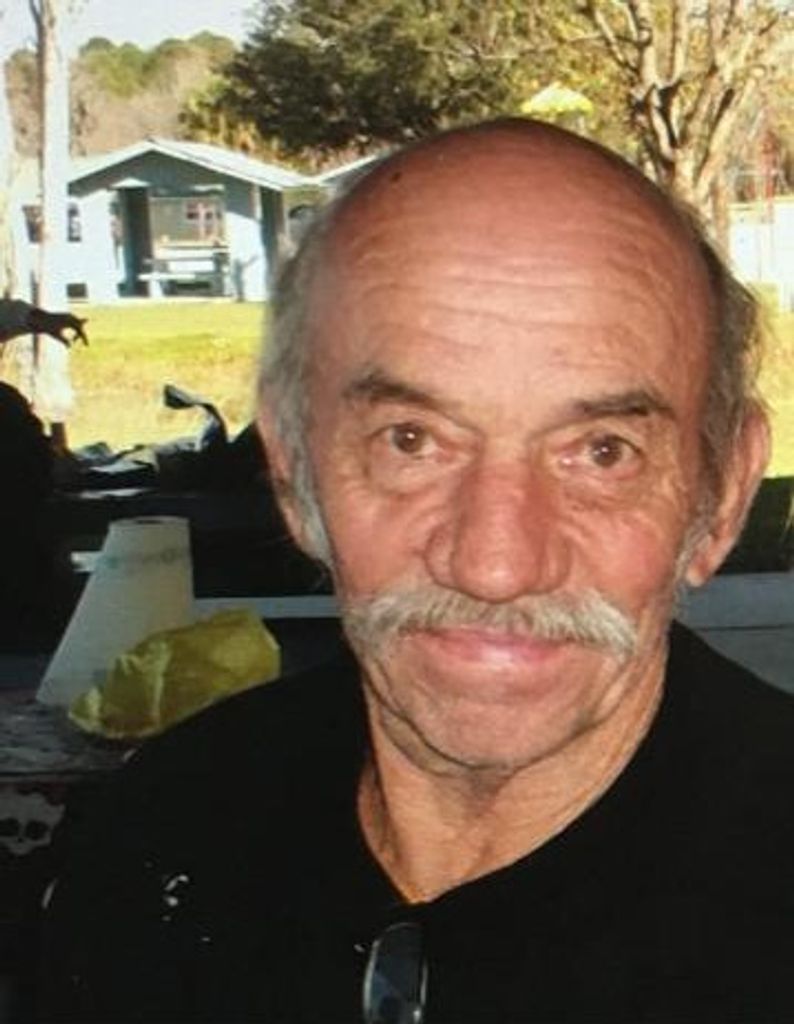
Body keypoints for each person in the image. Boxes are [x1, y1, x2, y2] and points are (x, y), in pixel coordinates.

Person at [40, 119, 793, 1022]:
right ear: (293, 470)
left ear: (721, 493)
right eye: (412, 440)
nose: (495, 565)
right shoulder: (162, 834)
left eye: (602, 452)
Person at [0, 298, 88, 348]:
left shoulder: (17, 314)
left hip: (13, 318)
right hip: (13, 318)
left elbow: (40, 321)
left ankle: (69, 322)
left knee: (34, 320)